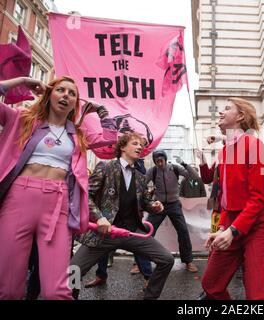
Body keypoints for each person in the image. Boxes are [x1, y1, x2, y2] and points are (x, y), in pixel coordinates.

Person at [0, 76, 118, 299]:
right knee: (8, 288)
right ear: (49, 94)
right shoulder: (22, 119)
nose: (66, 95)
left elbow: (111, 142)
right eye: (61, 90)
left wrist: (101, 112)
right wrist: (22, 81)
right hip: (19, 199)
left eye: (72, 93)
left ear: (76, 103)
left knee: (57, 290)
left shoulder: (79, 135)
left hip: (59, 204)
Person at [70, 132, 174, 300]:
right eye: (135, 143)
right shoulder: (105, 167)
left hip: (132, 232)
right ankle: (70, 296)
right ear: (122, 147)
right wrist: (99, 218)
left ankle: (149, 297)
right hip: (104, 233)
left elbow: (146, 202)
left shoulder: (140, 177)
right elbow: (85, 196)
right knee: (73, 271)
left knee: (167, 259)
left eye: (141, 145)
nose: (140, 147)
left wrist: (155, 206)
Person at [201, 97, 264, 300]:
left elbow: (259, 198)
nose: (220, 112)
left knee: (257, 295)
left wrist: (233, 230)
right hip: (231, 223)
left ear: (240, 116)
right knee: (211, 284)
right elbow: (225, 198)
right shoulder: (225, 150)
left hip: (258, 225)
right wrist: (223, 228)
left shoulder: (255, 145)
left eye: (226, 108)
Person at [145, 150, 200, 272]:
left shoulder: (174, 168)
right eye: (157, 161)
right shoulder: (153, 171)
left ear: (165, 159)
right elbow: (141, 184)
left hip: (174, 204)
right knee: (147, 231)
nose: (159, 163)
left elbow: (195, 176)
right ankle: (140, 262)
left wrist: (184, 164)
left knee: (183, 231)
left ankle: (188, 261)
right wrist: (147, 198)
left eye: (161, 160)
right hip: (158, 205)